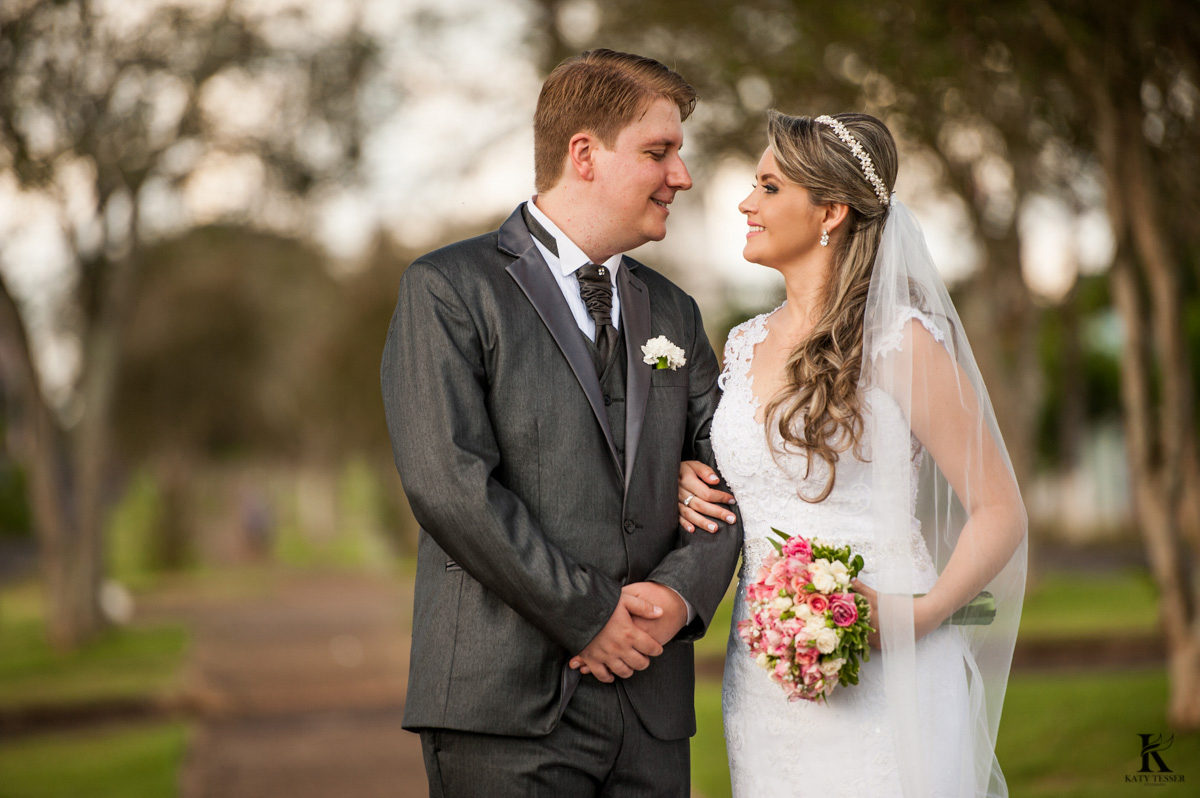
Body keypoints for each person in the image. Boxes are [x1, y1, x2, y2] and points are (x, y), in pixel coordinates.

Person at [381, 49, 742, 797]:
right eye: (659, 152)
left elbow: (735, 471)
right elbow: (449, 483)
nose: (682, 175)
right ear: (584, 154)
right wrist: (589, 616)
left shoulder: (675, 312)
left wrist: (676, 598)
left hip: (651, 711)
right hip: (502, 710)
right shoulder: (448, 289)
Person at [678, 111, 1028, 797]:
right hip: (766, 679)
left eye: (769, 187)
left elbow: (999, 509)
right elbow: (747, 478)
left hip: (887, 666)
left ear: (830, 211)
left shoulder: (903, 342)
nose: (747, 203)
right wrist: (689, 479)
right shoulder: (743, 343)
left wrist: (915, 617)